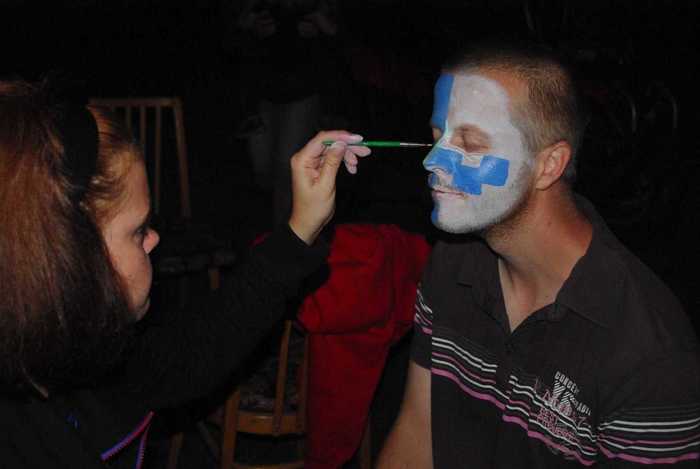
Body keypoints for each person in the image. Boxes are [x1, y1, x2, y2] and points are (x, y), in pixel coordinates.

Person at [0, 78, 369, 467]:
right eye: (138, 231)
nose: (154, 238)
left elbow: (191, 350)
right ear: (64, 257)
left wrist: (300, 229)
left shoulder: (82, 355)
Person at [377, 42, 700, 468]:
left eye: (469, 144)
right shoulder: (454, 262)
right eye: (437, 138)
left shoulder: (649, 354)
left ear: (548, 165)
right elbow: (418, 433)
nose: (433, 161)